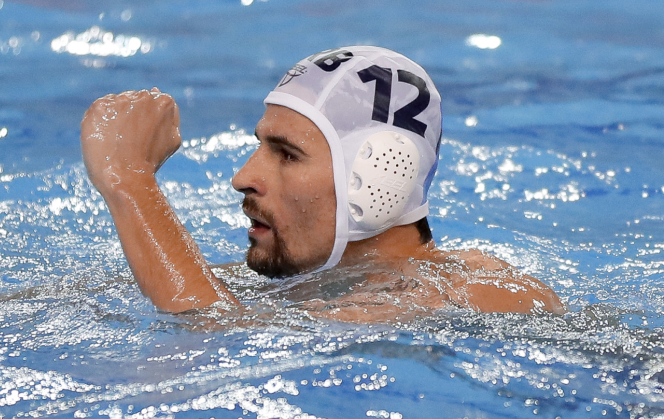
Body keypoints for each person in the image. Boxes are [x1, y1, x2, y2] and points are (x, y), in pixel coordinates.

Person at [80, 46, 564, 321]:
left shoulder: (476, 294)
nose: (243, 177)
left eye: (287, 154)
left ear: (380, 177)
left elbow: (215, 334)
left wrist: (131, 182)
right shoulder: (310, 283)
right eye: (260, 146)